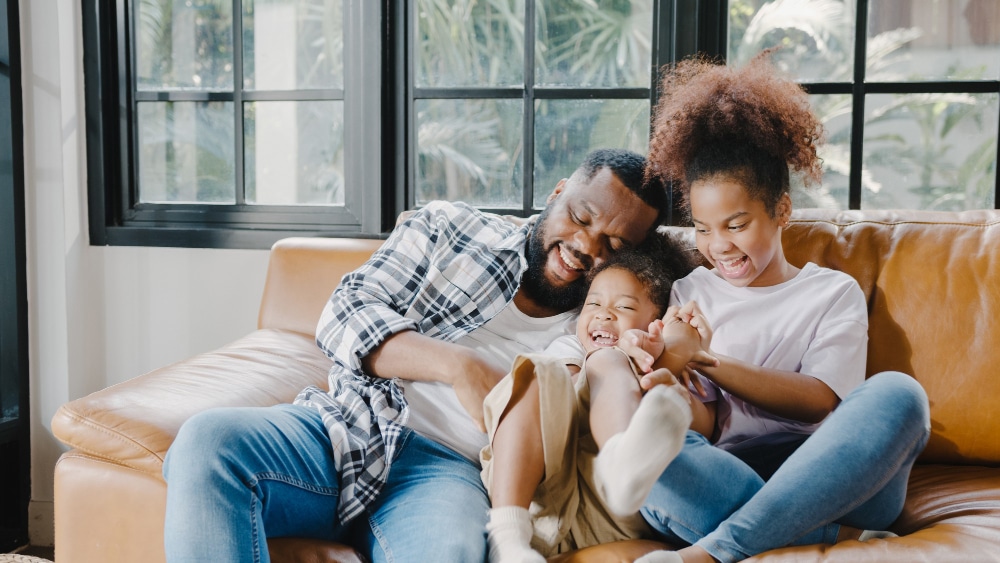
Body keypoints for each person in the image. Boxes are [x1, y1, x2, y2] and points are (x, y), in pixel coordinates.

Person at [161, 148, 671, 563]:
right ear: (558, 192)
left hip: (449, 473)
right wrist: (458, 366)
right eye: (579, 217)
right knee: (207, 443)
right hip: (347, 427)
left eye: (612, 244)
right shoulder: (450, 228)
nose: (583, 245)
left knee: (445, 554)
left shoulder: (602, 321)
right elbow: (345, 312)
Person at [618, 53, 931, 563]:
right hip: (733, 473)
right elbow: (706, 423)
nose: (718, 246)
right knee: (648, 449)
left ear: (781, 210)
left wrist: (705, 359)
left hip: (835, 473)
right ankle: (830, 537)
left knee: (900, 394)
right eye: (702, 228)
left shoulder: (832, 292)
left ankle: (717, 549)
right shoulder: (692, 290)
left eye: (736, 225)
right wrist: (664, 377)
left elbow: (819, 402)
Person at [480, 236, 718, 562]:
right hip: (540, 495)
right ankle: (506, 540)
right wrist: (622, 360)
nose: (604, 315)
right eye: (593, 304)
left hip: (608, 512)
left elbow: (704, 429)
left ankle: (624, 464)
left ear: (656, 322)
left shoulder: (676, 366)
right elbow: (562, 396)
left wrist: (666, 367)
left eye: (624, 307)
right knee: (540, 372)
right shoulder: (571, 349)